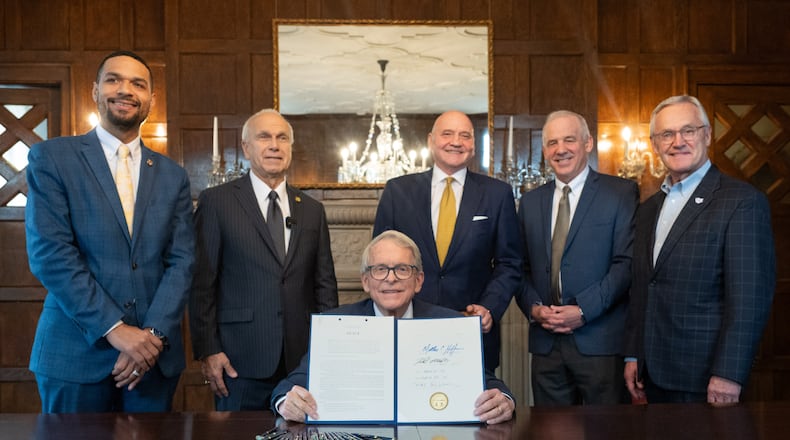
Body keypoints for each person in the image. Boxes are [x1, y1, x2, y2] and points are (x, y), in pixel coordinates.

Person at [25, 51, 195, 413]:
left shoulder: (172, 175)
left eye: (138, 84)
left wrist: (151, 337)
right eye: (114, 80)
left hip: (153, 361)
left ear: (151, 99)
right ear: (95, 91)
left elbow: (182, 262)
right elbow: (50, 255)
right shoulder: (52, 158)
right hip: (75, 353)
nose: (126, 90)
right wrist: (115, 331)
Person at [271, 230, 515, 425]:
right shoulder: (337, 324)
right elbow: (292, 383)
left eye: (402, 269)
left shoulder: (450, 324)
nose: (390, 278)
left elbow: (487, 382)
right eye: (380, 269)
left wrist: (504, 400)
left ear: (418, 280)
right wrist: (286, 402)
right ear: (365, 281)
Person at [624, 95, 776, 404]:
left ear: (706, 135)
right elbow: (643, 287)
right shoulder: (649, 208)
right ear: (655, 144)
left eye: (688, 131)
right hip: (652, 372)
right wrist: (632, 353)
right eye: (667, 134)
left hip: (706, 377)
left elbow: (749, 299)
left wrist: (729, 373)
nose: (677, 141)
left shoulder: (741, 202)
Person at [189, 108, 338, 411]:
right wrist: (209, 351)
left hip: (302, 361)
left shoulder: (311, 209)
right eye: (264, 137)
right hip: (238, 361)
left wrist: (329, 349)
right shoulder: (217, 202)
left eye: (282, 138)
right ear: (246, 147)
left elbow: (325, 286)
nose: (274, 145)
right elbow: (202, 284)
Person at [373, 110, 522, 371]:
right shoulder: (398, 191)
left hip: (471, 328)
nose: (456, 141)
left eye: (465, 135)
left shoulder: (497, 194)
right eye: (447, 134)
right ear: (431, 140)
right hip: (408, 325)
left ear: (474, 146)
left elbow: (509, 262)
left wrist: (489, 308)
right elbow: (380, 262)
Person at [516, 110, 638, 405]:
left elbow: (626, 264)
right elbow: (518, 268)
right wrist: (533, 308)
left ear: (588, 143)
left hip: (599, 342)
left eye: (569, 140)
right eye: (552, 143)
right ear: (544, 151)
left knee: (606, 432)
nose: (560, 149)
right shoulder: (530, 202)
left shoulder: (620, 193)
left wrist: (582, 310)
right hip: (546, 345)